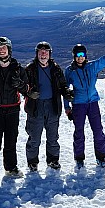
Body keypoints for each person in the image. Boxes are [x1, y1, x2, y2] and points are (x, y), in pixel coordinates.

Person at [64, 35, 105, 169]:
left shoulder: (92, 67)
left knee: (98, 131)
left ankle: (100, 158)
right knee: (79, 132)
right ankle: (79, 158)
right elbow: (65, 90)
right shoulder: (70, 71)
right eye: (77, 55)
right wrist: (67, 107)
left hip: (93, 103)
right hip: (78, 105)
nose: (80, 57)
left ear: (85, 56)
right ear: (74, 56)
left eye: (82, 54)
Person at [0, 36, 29, 180]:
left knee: (11, 141)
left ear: (9, 50)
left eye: (4, 48)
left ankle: (11, 168)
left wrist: (19, 85)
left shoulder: (18, 69)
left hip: (13, 110)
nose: (2, 50)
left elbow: (27, 89)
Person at [23, 41, 73, 172]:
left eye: (46, 52)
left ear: (50, 54)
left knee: (52, 137)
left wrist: (67, 93)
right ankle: (32, 162)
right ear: (37, 54)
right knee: (34, 137)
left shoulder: (56, 69)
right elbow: (22, 87)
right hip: (36, 106)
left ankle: (53, 160)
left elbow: (62, 85)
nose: (43, 54)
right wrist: (29, 93)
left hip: (52, 105)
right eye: (41, 52)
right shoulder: (30, 69)